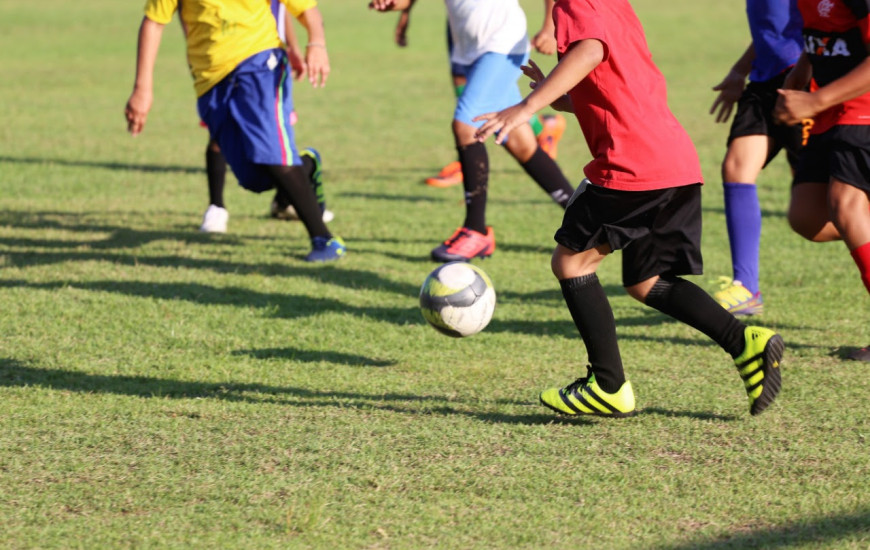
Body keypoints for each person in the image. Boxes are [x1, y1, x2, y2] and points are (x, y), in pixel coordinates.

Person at [474, 0, 783, 416]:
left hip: (632, 164)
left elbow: (591, 50)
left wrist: (527, 107)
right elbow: (615, 82)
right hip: (672, 159)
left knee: (572, 264)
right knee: (647, 280)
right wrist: (563, 96)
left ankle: (608, 385)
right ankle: (745, 342)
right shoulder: (615, 5)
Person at [125, 0, 346, 262]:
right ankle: (307, 165)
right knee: (255, 180)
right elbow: (154, 22)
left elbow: (307, 8)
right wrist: (142, 88)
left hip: (260, 65)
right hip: (210, 82)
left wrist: (316, 44)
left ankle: (324, 240)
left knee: (275, 156)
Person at [371, 0, 576, 263]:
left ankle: (476, 231)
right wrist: (396, 5)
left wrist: (549, 26)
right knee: (521, 143)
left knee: (466, 125)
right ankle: (583, 215)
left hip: (502, 42)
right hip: (469, 48)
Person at [774, 0, 870, 362]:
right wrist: (800, 74)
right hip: (829, 112)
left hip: (862, 110)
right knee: (808, 218)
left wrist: (815, 100)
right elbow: (825, 36)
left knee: (846, 205)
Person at [393, 1, 567, 188]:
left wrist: (549, 27)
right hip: (461, 26)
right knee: (474, 93)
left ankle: (467, 160)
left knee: (466, 121)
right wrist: (405, 11)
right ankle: (541, 130)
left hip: (497, 32)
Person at [197, 0, 334, 233]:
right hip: (220, 61)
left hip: (264, 62)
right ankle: (216, 206)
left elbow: (288, 8)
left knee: (273, 153)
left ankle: (300, 198)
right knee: (220, 135)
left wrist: (293, 47)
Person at [708, 1, 806, 316]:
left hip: (805, 81)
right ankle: (747, 287)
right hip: (765, 81)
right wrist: (741, 69)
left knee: (827, 211)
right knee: (736, 169)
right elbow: (772, 31)